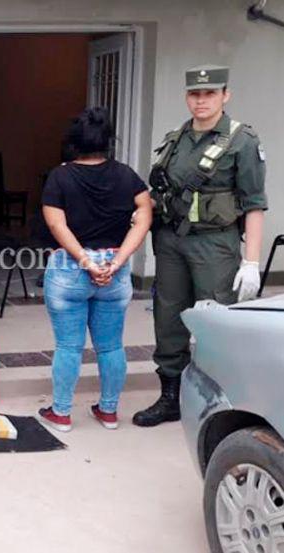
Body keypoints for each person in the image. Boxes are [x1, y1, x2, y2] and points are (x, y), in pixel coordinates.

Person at [133, 65, 267, 427]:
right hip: (172, 241)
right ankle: (170, 397)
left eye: (210, 93)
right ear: (186, 97)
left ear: (226, 95)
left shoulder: (242, 141)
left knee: (214, 323)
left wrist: (251, 261)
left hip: (215, 244)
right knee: (169, 318)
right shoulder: (175, 139)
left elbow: (254, 203)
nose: (201, 101)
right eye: (195, 94)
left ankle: (222, 407)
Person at [38, 107, 153, 432]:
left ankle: (61, 413)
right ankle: (109, 411)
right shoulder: (127, 176)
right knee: (112, 345)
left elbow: (56, 225)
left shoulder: (59, 177)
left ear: (74, 141)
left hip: (68, 270)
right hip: (113, 270)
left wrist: (86, 262)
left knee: (69, 346)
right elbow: (144, 217)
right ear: (107, 141)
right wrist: (115, 263)